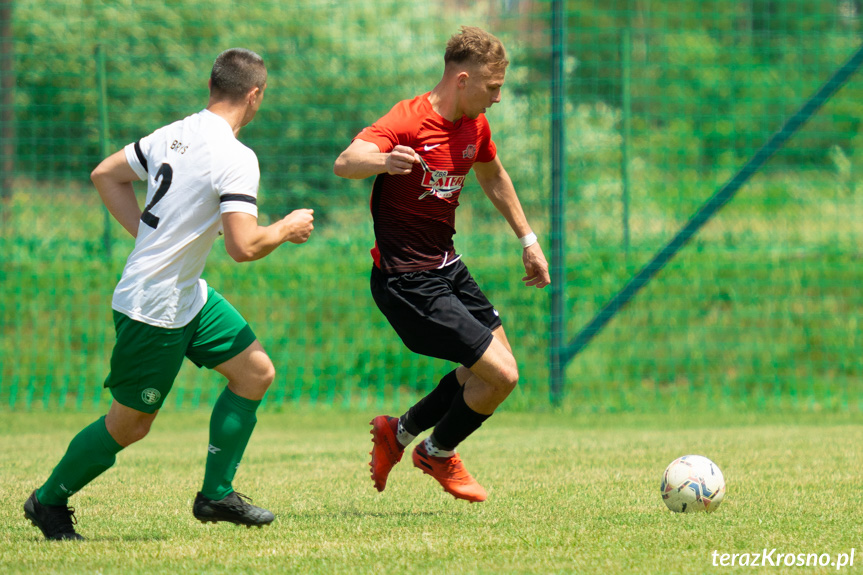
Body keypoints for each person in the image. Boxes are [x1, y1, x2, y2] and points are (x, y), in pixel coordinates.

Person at [23, 48, 315, 540]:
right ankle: (47, 500)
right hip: (153, 307)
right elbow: (243, 247)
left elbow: (104, 174)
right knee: (131, 425)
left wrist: (148, 237)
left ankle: (215, 496)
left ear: (211, 87)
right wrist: (285, 227)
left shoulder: (174, 132)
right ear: (255, 95)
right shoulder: (237, 157)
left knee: (255, 371)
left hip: (187, 294)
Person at [333, 26, 550, 502]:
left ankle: (400, 431)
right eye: (493, 88)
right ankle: (436, 451)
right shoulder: (409, 120)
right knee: (503, 376)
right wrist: (384, 160)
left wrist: (528, 240)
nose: (497, 98)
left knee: (492, 373)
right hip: (406, 281)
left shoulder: (475, 125)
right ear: (463, 80)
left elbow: (493, 176)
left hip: (448, 267)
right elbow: (346, 161)